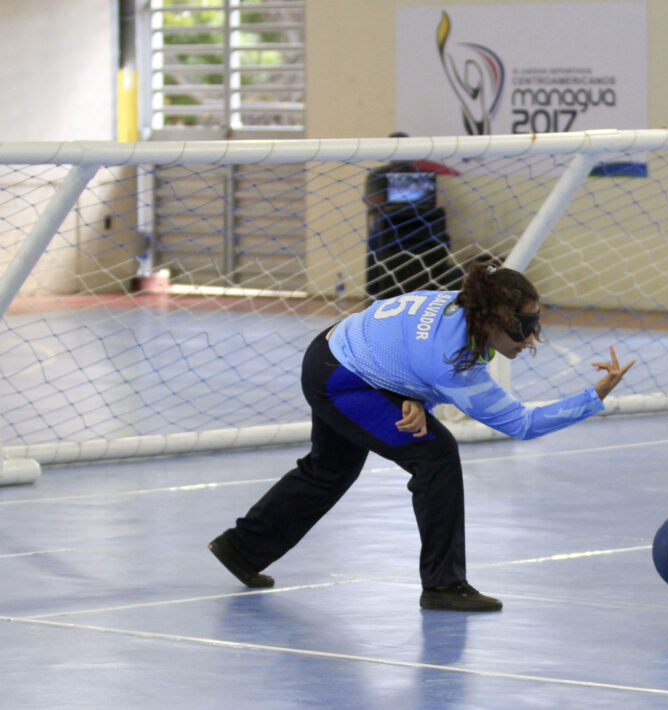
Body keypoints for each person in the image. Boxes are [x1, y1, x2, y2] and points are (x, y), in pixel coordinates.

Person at [209, 262, 635, 611]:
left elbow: (411, 351)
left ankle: (243, 549)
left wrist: (411, 396)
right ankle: (443, 584)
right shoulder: (452, 359)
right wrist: (592, 397)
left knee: (331, 467)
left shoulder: (463, 309)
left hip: (339, 351)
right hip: (342, 380)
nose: (531, 338)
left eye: (535, 323)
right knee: (435, 455)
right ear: (491, 320)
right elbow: (521, 423)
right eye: (523, 327)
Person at [363, 132, 461, 299]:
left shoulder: (420, 174)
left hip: (418, 221)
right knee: (376, 234)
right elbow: (372, 203)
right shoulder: (378, 175)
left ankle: (436, 283)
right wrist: (391, 202)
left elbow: (430, 199)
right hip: (389, 223)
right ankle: (375, 293)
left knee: (440, 228)